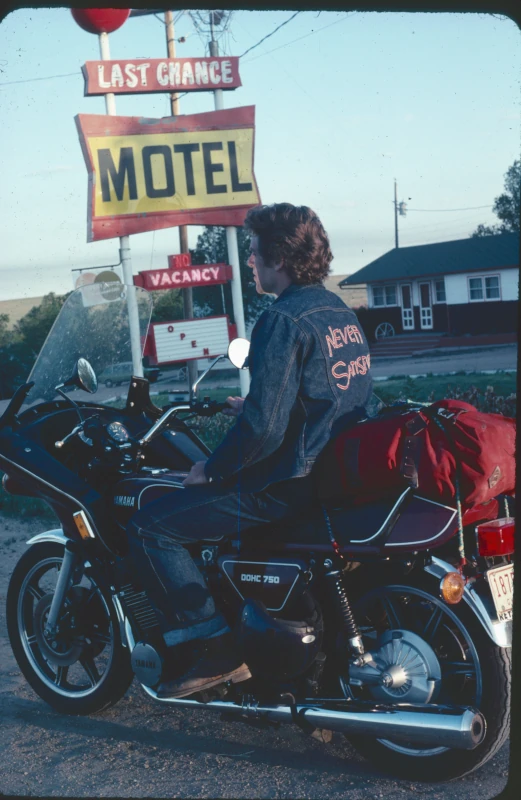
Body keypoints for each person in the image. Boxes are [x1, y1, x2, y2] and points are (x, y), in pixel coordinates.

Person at [126, 203, 373, 698]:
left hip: (286, 485)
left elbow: (262, 431)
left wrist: (212, 471)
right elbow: (332, 397)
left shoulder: (280, 320)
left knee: (151, 524)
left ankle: (215, 645)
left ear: (279, 258)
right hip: (332, 472)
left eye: (255, 253)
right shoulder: (336, 310)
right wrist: (255, 407)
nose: (251, 262)